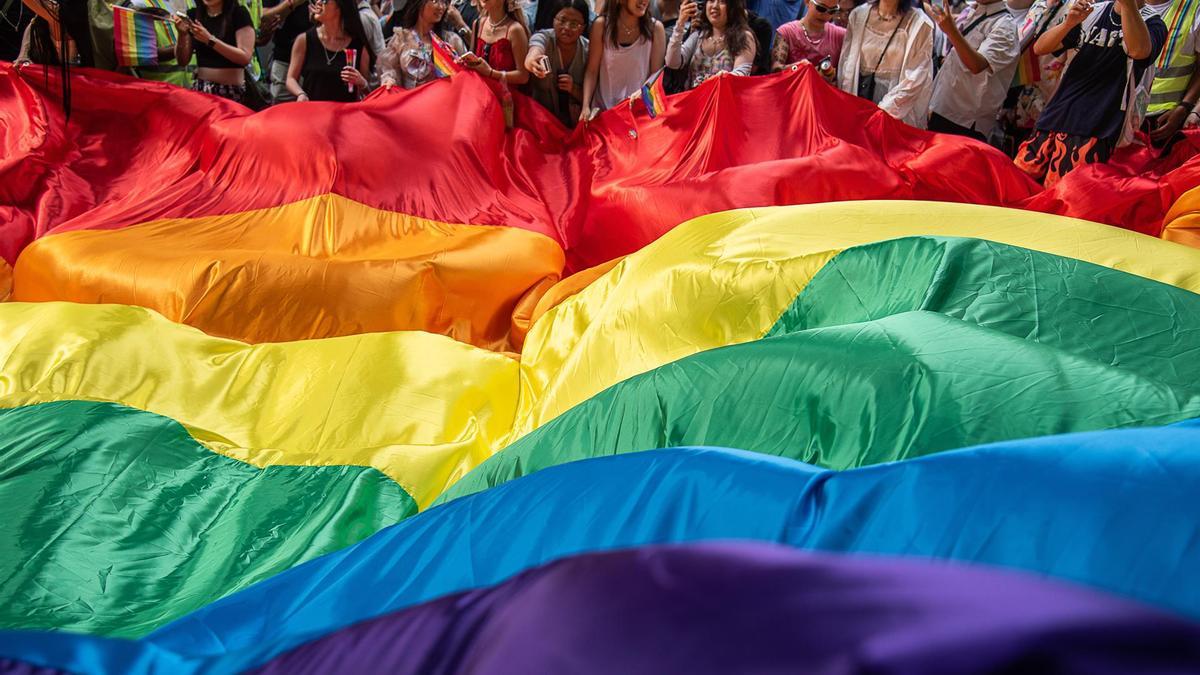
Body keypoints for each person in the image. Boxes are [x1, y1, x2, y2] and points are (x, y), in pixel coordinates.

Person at [1015, 0, 1165, 186]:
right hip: (1055, 116)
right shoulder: (1092, 11)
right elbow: (1040, 48)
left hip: (1097, 128)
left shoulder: (1153, 22)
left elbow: (1139, 51)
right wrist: (1068, 23)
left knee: (1061, 199)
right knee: (1018, 186)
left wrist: (1128, 5)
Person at [925, 0, 1018, 140]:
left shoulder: (1006, 26)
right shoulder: (972, 11)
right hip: (942, 107)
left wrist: (951, 31)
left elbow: (977, 65)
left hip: (965, 122)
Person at [838, 0, 935, 127]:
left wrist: (882, 112)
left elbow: (915, 79)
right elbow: (846, 65)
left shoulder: (920, 24)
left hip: (897, 113)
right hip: (858, 103)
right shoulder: (858, 15)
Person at [993, 0, 1071, 153]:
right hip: (1023, 89)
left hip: (1050, 93)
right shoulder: (1040, 4)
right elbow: (1020, 40)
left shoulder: (1077, 6)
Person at [580, 0, 666, 119]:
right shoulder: (602, 25)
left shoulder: (655, 29)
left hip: (638, 113)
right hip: (604, 112)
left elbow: (655, 75)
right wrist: (585, 106)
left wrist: (643, 94)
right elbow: (592, 70)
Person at [286, 0, 375, 101]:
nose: (318, 2)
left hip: (345, 114)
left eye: (324, 0)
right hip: (313, 112)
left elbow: (368, 93)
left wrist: (362, 83)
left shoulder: (358, 46)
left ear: (340, 6)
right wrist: (300, 94)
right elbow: (291, 78)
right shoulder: (304, 40)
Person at [1142, 0, 1200, 147]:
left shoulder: (1194, 9)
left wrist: (1185, 107)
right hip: (1116, 116)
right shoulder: (1117, 6)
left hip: (1165, 119)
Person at [174, 0, 256, 102]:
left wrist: (210, 40)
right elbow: (182, 61)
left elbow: (245, 57)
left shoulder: (239, 13)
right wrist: (182, 35)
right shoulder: (194, 14)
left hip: (231, 91)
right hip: (201, 89)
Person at [525, 0, 589, 124]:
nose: (567, 28)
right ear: (553, 20)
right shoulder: (544, 37)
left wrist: (574, 89)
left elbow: (594, 97)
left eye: (574, 24)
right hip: (540, 122)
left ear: (583, 27)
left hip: (574, 125)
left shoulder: (588, 51)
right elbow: (535, 48)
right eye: (562, 20)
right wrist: (532, 61)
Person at [377, 0, 466, 88]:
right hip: (411, 100)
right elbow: (389, 68)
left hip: (442, 100)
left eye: (445, 2)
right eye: (435, 1)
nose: (441, 7)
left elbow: (464, 76)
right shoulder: (401, 39)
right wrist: (389, 79)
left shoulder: (451, 40)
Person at [665, 0, 755, 88]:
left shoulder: (744, 37)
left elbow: (741, 76)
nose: (715, 6)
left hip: (723, 101)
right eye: (711, 1)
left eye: (722, 1)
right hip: (692, 100)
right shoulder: (699, 35)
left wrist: (722, 77)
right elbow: (672, 62)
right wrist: (680, 24)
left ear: (733, 7)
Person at [457, 0, 530, 84]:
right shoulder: (478, 24)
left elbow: (523, 76)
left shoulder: (515, 30)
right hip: (479, 89)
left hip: (505, 94)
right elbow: (472, 62)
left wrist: (491, 72)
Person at [772, 0, 846, 78]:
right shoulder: (786, 32)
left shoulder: (841, 36)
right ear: (807, 2)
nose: (826, 15)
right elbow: (775, 70)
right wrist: (801, 68)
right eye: (821, 8)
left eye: (832, 11)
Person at [262, 0, 313, 102]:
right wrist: (291, 3)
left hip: (321, 62)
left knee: (321, 112)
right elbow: (264, 19)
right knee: (282, 113)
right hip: (285, 60)